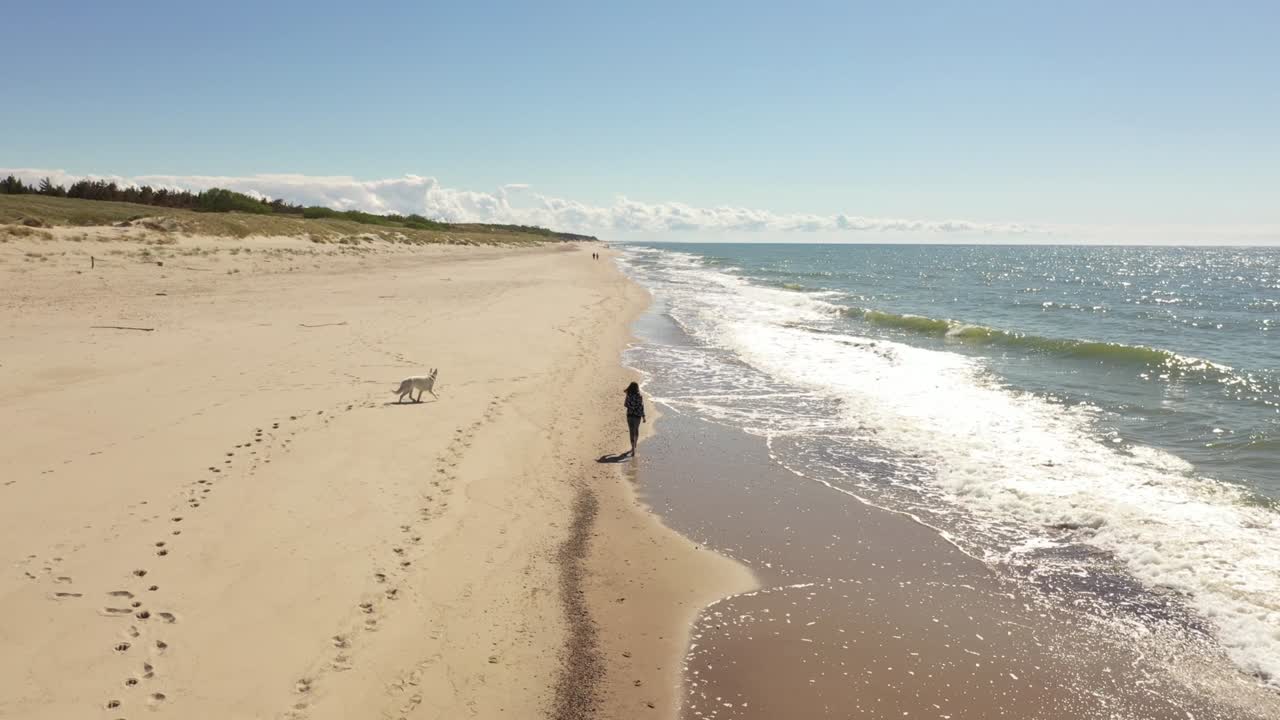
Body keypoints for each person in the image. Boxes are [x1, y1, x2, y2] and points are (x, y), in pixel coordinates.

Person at [624, 381, 645, 455]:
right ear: (637, 388)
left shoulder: (628, 395)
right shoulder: (639, 396)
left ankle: (632, 448)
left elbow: (625, 404)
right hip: (637, 416)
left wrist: (631, 406)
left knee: (631, 431)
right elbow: (641, 407)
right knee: (636, 430)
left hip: (629, 415)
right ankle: (635, 444)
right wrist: (643, 416)